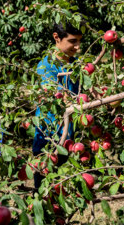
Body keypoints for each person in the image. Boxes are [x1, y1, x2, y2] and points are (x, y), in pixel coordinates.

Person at [33, 22, 84, 188]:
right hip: (49, 140)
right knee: (45, 192)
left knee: (66, 190)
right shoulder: (46, 67)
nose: (77, 47)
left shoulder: (75, 65)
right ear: (56, 37)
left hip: (69, 138)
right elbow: (62, 99)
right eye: (72, 41)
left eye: (79, 41)